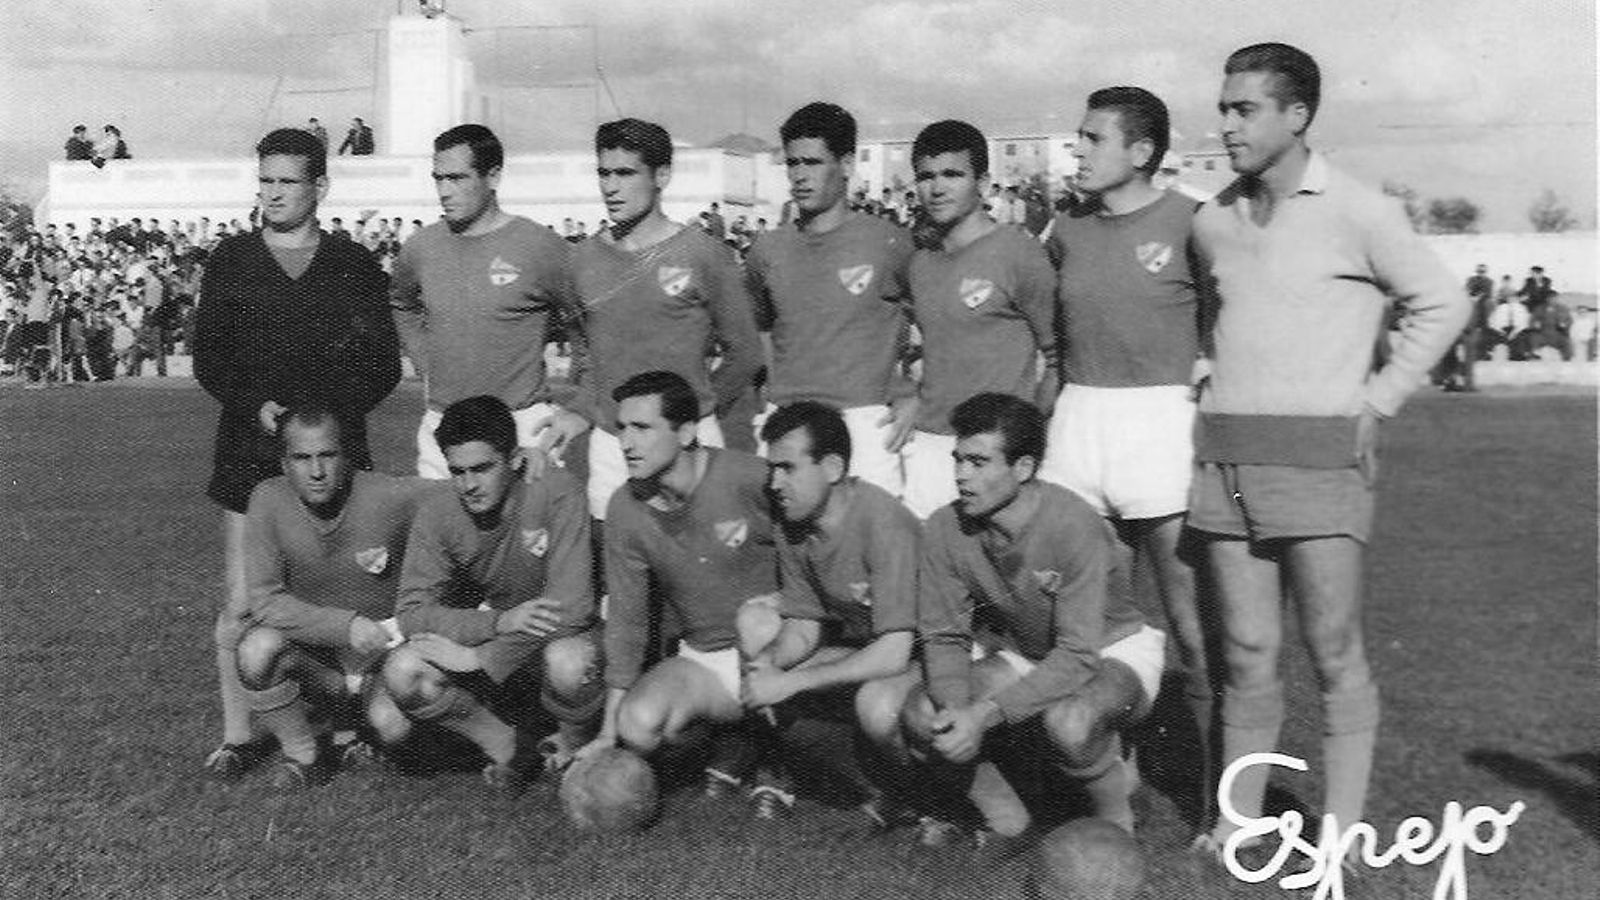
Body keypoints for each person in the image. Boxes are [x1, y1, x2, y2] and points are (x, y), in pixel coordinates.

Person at [1188, 43, 1467, 859]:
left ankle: (1341, 838)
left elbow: (1441, 302)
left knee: (1334, 651)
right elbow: (1220, 320)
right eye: (1225, 106)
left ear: (1298, 115)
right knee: (1244, 654)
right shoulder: (1212, 219)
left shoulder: (1359, 209)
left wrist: (1376, 402)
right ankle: (1236, 826)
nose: (1227, 123)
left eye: (1245, 110)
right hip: (1225, 459)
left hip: (1319, 460)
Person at [193, 127, 402, 782]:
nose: (273, 193)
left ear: (320, 187)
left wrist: (330, 421)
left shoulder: (352, 263)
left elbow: (382, 365)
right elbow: (209, 358)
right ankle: (237, 736)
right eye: (265, 181)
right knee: (244, 599)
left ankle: (347, 724)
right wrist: (255, 401)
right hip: (248, 452)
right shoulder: (231, 259)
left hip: (332, 457)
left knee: (338, 592)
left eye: (287, 181)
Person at [1036, 85, 1214, 835]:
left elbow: (1229, 316)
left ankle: (1215, 804)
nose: (1076, 151)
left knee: (1191, 620)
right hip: (1081, 421)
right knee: (1085, 615)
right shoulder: (1064, 228)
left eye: (1091, 139)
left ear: (1141, 152)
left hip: (1162, 423)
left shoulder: (1191, 221)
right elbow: (1042, 329)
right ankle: (1107, 775)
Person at [906, 393, 1165, 838]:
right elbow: (944, 635)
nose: (961, 476)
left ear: (1023, 468)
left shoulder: (1073, 522)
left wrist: (983, 716)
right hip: (1031, 649)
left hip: (1111, 648)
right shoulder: (944, 527)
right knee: (921, 713)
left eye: (979, 462)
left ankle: (1117, 828)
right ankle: (1009, 824)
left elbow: (1079, 654)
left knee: (1070, 722)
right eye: (958, 460)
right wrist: (956, 713)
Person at [382, 396, 603, 793]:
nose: (469, 484)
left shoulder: (557, 491)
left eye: (483, 468)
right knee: (404, 671)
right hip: (506, 628)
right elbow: (411, 612)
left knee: (569, 663)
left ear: (515, 458)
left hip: (566, 635)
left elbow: (574, 607)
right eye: (458, 471)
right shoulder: (438, 513)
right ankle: (509, 746)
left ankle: (574, 747)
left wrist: (482, 657)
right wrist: (496, 623)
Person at [576, 371, 778, 798]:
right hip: (705, 659)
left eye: (642, 428)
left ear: (686, 432)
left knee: (762, 627)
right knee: (639, 726)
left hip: (777, 649)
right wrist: (610, 729)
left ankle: (779, 759)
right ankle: (730, 739)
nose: (626, 443)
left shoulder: (748, 478)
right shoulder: (626, 507)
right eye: (622, 428)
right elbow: (627, 621)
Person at [566, 119, 762, 519]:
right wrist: (585, 408)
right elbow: (585, 354)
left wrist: (696, 410)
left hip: (689, 442)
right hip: (612, 443)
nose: (610, 187)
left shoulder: (703, 254)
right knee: (616, 569)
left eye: (625, 173)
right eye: (604, 173)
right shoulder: (581, 261)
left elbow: (746, 352)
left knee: (699, 571)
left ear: (662, 176)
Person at [735, 401, 921, 821]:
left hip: (927, 655)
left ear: (833, 468)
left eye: (788, 468)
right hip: (868, 646)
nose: (776, 483)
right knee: (758, 631)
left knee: (879, 706)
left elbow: (895, 651)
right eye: (772, 469)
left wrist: (793, 682)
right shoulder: (794, 522)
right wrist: (766, 664)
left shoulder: (884, 524)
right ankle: (844, 777)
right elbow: (803, 624)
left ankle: (929, 796)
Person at [234, 408, 421, 788]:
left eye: (328, 455)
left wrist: (527, 464)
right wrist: (345, 625)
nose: (316, 471)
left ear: (346, 456)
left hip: (381, 655)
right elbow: (266, 601)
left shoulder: (388, 494)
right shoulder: (267, 500)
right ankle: (306, 755)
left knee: (395, 729)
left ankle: (365, 731)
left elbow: (462, 491)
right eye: (302, 458)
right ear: (284, 463)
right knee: (257, 649)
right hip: (321, 661)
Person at [389, 124, 585, 481]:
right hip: (443, 421)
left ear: (493, 176)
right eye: (438, 179)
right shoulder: (421, 247)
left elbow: (586, 317)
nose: (444, 191)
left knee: (532, 535)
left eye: (457, 178)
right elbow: (402, 303)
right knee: (442, 533)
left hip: (522, 424)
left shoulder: (540, 246)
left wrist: (583, 402)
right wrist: (422, 360)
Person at [745, 102, 917, 499]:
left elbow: (941, 320)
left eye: (812, 162)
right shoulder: (767, 250)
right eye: (792, 164)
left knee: (875, 546)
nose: (800, 176)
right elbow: (761, 325)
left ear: (846, 164)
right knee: (787, 546)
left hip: (864, 424)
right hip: (788, 418)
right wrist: (774, 388)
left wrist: (919, 397)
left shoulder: (889, 243)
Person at [901, 120, 1057, 519]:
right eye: (926, 176)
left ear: (983, 183)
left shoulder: (1017, 253)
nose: (937, 188)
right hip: (933, 444)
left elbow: (1058, 356)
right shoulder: (919, 264)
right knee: (931, 572)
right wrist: (907, 397)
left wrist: (1027, 435)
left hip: (996, 449)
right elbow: (916, 347)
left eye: (953, 174)